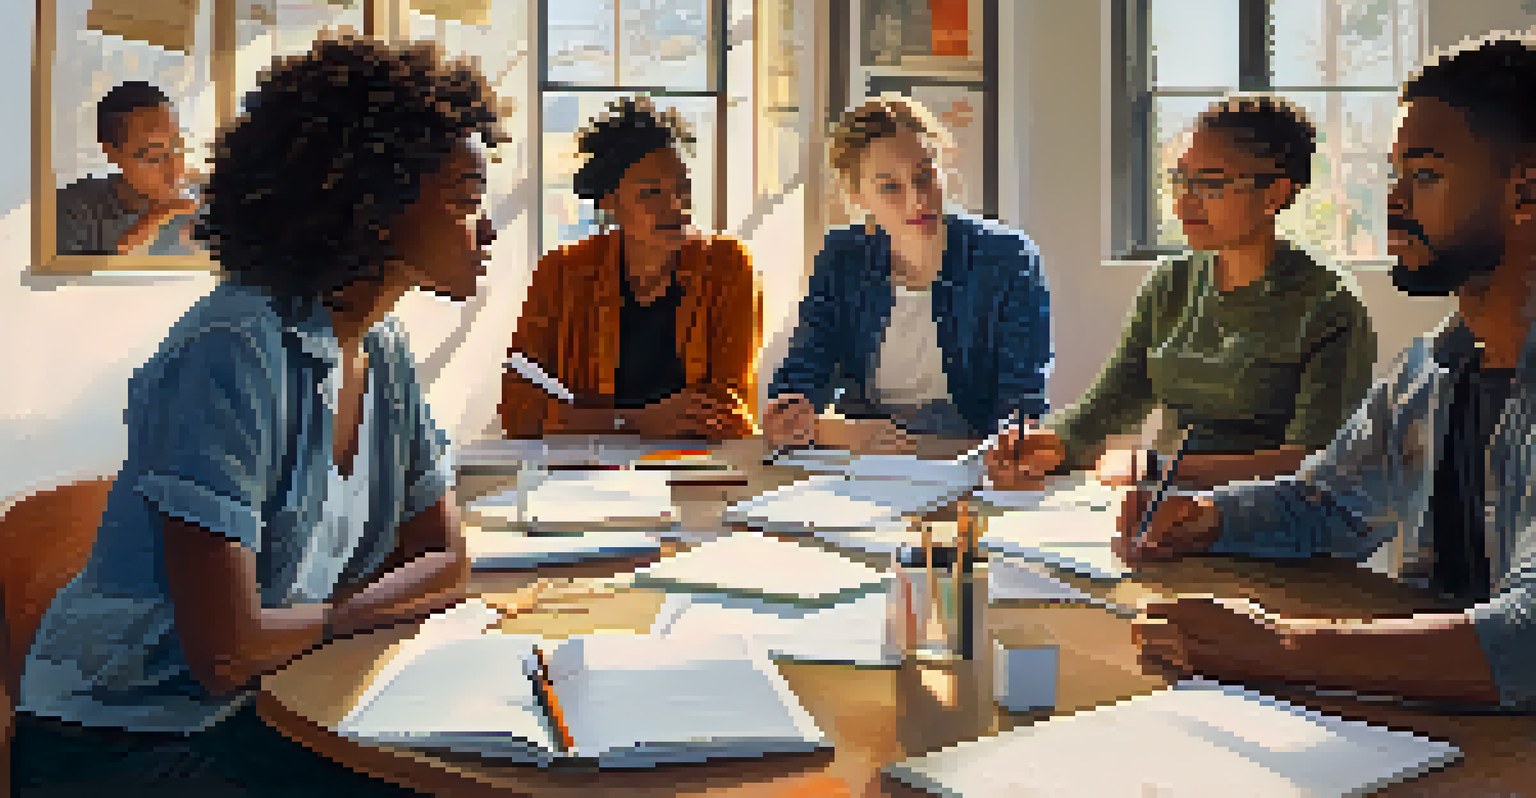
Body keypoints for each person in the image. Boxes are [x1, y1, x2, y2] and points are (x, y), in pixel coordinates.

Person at [15, 33, 501, 795]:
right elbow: (227, 651)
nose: (489, 229)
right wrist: (348, 617)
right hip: (121, 740)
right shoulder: (231, 349)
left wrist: (330, 621)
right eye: (467, 202)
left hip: (269, 701)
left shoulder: (384, 347)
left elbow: (445, 558)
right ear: (374, 206)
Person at [1117, 37, 1536, 708]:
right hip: (1440, 727)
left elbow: (1528, 640)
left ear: (1525, 190)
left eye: (1425, 175)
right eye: (1394, 174)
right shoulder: (1431, 370)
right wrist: (1205, 518)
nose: (1393, 201)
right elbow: (1329, 501)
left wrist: (1279, 646)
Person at [985, 95, 1376, 491]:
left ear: (1274, 194)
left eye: (1209, 183)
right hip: (1164, 503)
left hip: (1269, 515)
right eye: (1179, 178)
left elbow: (1317, 460)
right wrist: (1050, 443)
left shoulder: (1329, 304)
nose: (1184, 199)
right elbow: (1112, 402)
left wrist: (1159, 467)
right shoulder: (1171, 283)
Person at [763, 95, 1052, 453]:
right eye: (890, 187)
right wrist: (819, 428)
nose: (918, 200)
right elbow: (799, 381)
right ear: (857, 195)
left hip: (968, 455)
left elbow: (1022, 400)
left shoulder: (1008, 258)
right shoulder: (842, 258)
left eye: (925, 176)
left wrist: (1005, 450)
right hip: (865, 455)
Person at [499, 97, 761, 440]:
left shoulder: (726, 266)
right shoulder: (561, 272)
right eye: (651, 193)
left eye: (683, 189)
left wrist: (583, 419)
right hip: (586, 467)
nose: (676, 207)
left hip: (695, 461)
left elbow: (725, 409)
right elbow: (519, 409)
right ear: (609, 201)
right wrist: (634, 421)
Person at [55, 81, 202, 256]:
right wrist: (155, 217)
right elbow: (71, 274)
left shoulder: (204, 200)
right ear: (112, 153)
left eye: (178, 147)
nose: (174, 166)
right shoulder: (73, 209)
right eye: (153, 155)